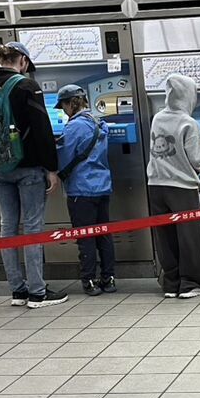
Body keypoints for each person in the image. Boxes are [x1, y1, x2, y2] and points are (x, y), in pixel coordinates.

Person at [0, 41, 66, 309]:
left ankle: (17, 290)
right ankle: (37, 292)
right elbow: (42, 129)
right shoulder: (27, 87)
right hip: (29, 168)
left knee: (8, 226)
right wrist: (51, 168)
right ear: (22, 61)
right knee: (32, 227)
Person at [146, 74, 200, 299]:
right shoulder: (188, 123)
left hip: (156, 184)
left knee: (165, 236)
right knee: (189, 236)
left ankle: (171, 284)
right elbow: (197, 160)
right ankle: (191, 283)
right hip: (181, 186)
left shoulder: (157, 118)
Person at [54, 85, 117, 296]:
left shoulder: (73, 127)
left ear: (70, 103)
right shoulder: (99, 123)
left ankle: (89, 280)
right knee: (104, 235)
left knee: (85, 237)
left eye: (63, 106)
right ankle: (108, 278)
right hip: (103, 187)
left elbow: (64, 158)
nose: (63, 111)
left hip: (81, 190)